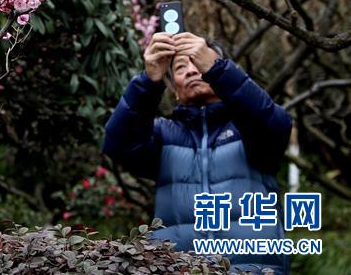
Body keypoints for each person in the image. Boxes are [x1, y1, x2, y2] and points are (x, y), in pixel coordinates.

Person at [103, 31, 292, 274]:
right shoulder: (162, 134)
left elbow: (275, 124)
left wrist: (219, 70)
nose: (192, 71)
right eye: (181, 67)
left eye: (198, 61)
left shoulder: (248, 129)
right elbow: (118, 144)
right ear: (174, 91)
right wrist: (148, 82)